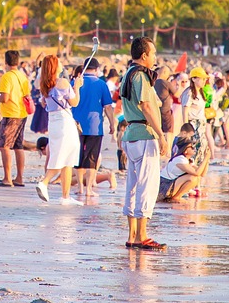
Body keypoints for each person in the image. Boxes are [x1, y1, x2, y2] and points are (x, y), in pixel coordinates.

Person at [119, 38, 169, 250]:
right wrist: (161, 134)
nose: (155, 57)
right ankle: (142, 235)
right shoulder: (140, 75)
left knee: (132, 186)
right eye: (153, 53)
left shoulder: (128, 74)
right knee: (147, 186)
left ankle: (132, 235)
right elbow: (147, 106)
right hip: (144, 134)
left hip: (131, 134)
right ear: (144, 55)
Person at [34, 54, 82, 205]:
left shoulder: (43, 84)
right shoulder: (62, 82)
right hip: (64, 121)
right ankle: (44, 182)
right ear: (55, 66)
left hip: (53, 121)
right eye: (59, 62)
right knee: (63, 156)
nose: (62, 64)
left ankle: (65, 197)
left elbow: (44, 102)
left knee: (67, 157)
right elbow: (74, 102)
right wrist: (77, 87)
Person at [72, 58, 117, 201]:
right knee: (92, 158)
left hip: (75, 124)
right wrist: (112, 123)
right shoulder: (101, 84)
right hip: (94, 125)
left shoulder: (75, 82)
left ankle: (79, 187)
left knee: (78, 158)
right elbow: (108, 106)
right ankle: (89, 189)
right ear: (97, 69)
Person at [0, 49, 32, 188]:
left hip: (11, 113)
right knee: (18, 146)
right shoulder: (22, 76)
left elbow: (5, 97)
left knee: (4, 146)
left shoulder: (7, 76)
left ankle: (7, 178)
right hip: (22, 113)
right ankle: (19, 178)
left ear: (6, 62)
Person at [159, 131, 206, 202]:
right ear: (185, 150)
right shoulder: (179, 159)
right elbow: (197, 173)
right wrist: (205, 158)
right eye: (191, 147)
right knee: (193, 177)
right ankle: (176, 197)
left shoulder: (188, 160)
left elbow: (202, 174)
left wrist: (207, 159)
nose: (194, 148)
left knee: (196, 177)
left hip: (170, 184)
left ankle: (176, 196)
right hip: (164, 186)